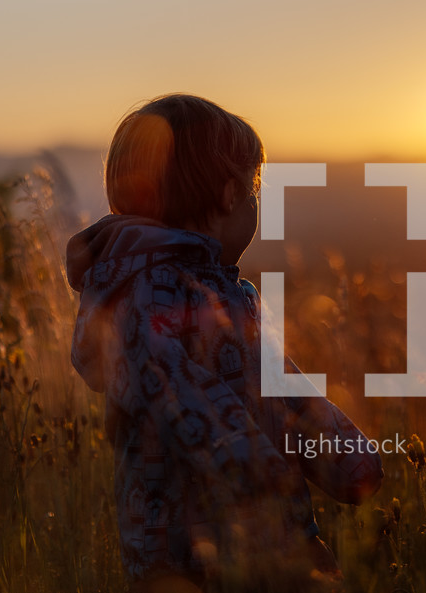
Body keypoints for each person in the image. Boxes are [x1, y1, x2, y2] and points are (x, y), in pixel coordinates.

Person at [65, 94, 383, 592]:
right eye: (255, 187)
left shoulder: (219, 292)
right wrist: (273, 505)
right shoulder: (147, 295)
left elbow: (279, 386)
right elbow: (189, 405)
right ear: (230, 194)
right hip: (190, 557)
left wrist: (349, 457)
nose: (257, 201)